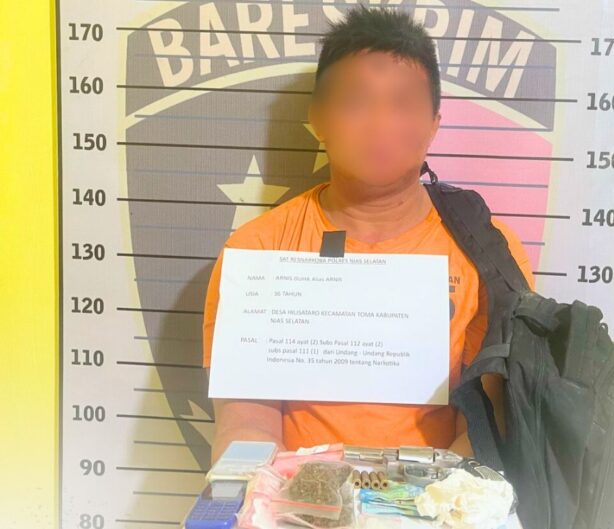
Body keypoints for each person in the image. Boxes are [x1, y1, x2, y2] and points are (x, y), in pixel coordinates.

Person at [202, 5, 535, 463]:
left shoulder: (490, 255)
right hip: (299, 495)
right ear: (318, 117)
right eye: (356, 102)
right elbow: (245, 426)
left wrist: (432, 498)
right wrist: (277, 495)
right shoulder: (258, 250)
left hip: (440, 495)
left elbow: (487, 427)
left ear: (434, 123)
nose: (380, 125)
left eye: (402, 104)